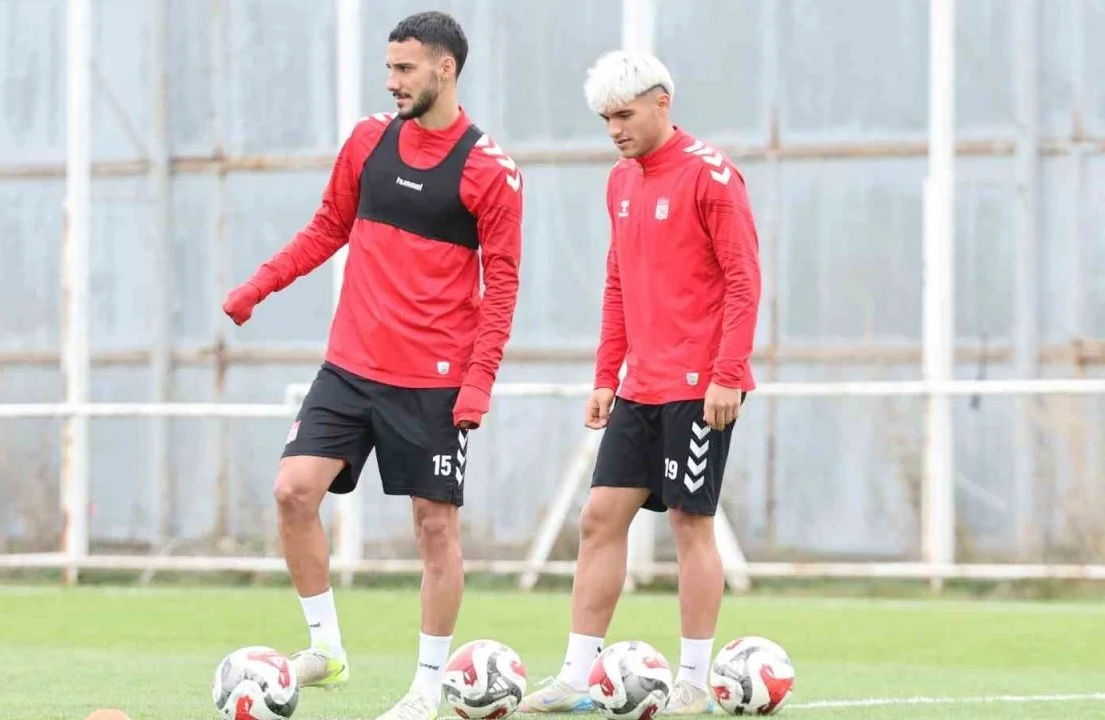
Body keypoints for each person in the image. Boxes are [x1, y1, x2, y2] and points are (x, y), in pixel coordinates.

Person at [221, 10, 523, 720]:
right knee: (293, 491)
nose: (391, 81)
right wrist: (258, 286)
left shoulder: (490, 171)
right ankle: (326, 648)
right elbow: (328, 227)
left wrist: (479, 381)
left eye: (404, 68)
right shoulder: (367, 141)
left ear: (445, 69)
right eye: (389, 68)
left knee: (434, 528)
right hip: (350, 367)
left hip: (433, 382)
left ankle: (426, 689)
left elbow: (503, 285)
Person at [517, 50, 761, 716]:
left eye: (623, 115)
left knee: (690, 524)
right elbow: (617, 281)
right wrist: (607, 373)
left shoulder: (711, 175)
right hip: (640, 385)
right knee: (599, 518)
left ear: (662, 102)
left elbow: (744, 281)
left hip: (700, 386)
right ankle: (576, 677)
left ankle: (694, 680)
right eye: (605, 119)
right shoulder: (620, 181)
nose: (614, 130)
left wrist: (727, 374)